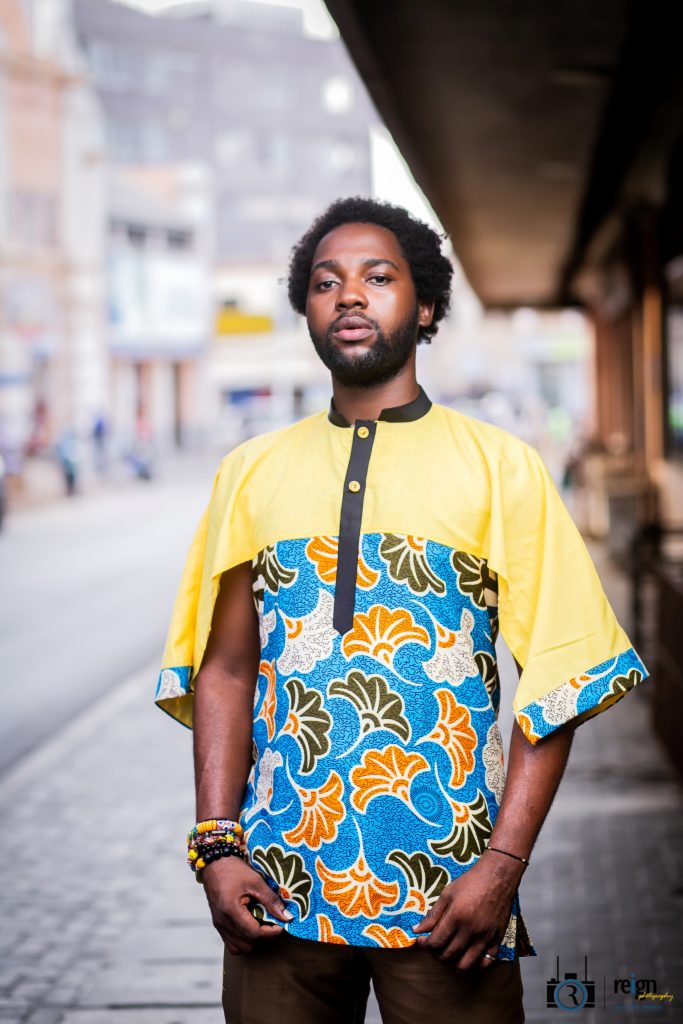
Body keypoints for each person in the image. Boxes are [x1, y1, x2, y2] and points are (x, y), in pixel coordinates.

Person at [155, 198, 648, 1024]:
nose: (348, 295)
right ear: (306, 309)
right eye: (325, 283)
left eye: (377, 277)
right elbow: (227, 669)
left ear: (424, 307)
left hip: (451, 905)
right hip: (275, 898)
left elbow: (561, 679)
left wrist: (501, 869)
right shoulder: (249, 473)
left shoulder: (501, 469)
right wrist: (215, 847)